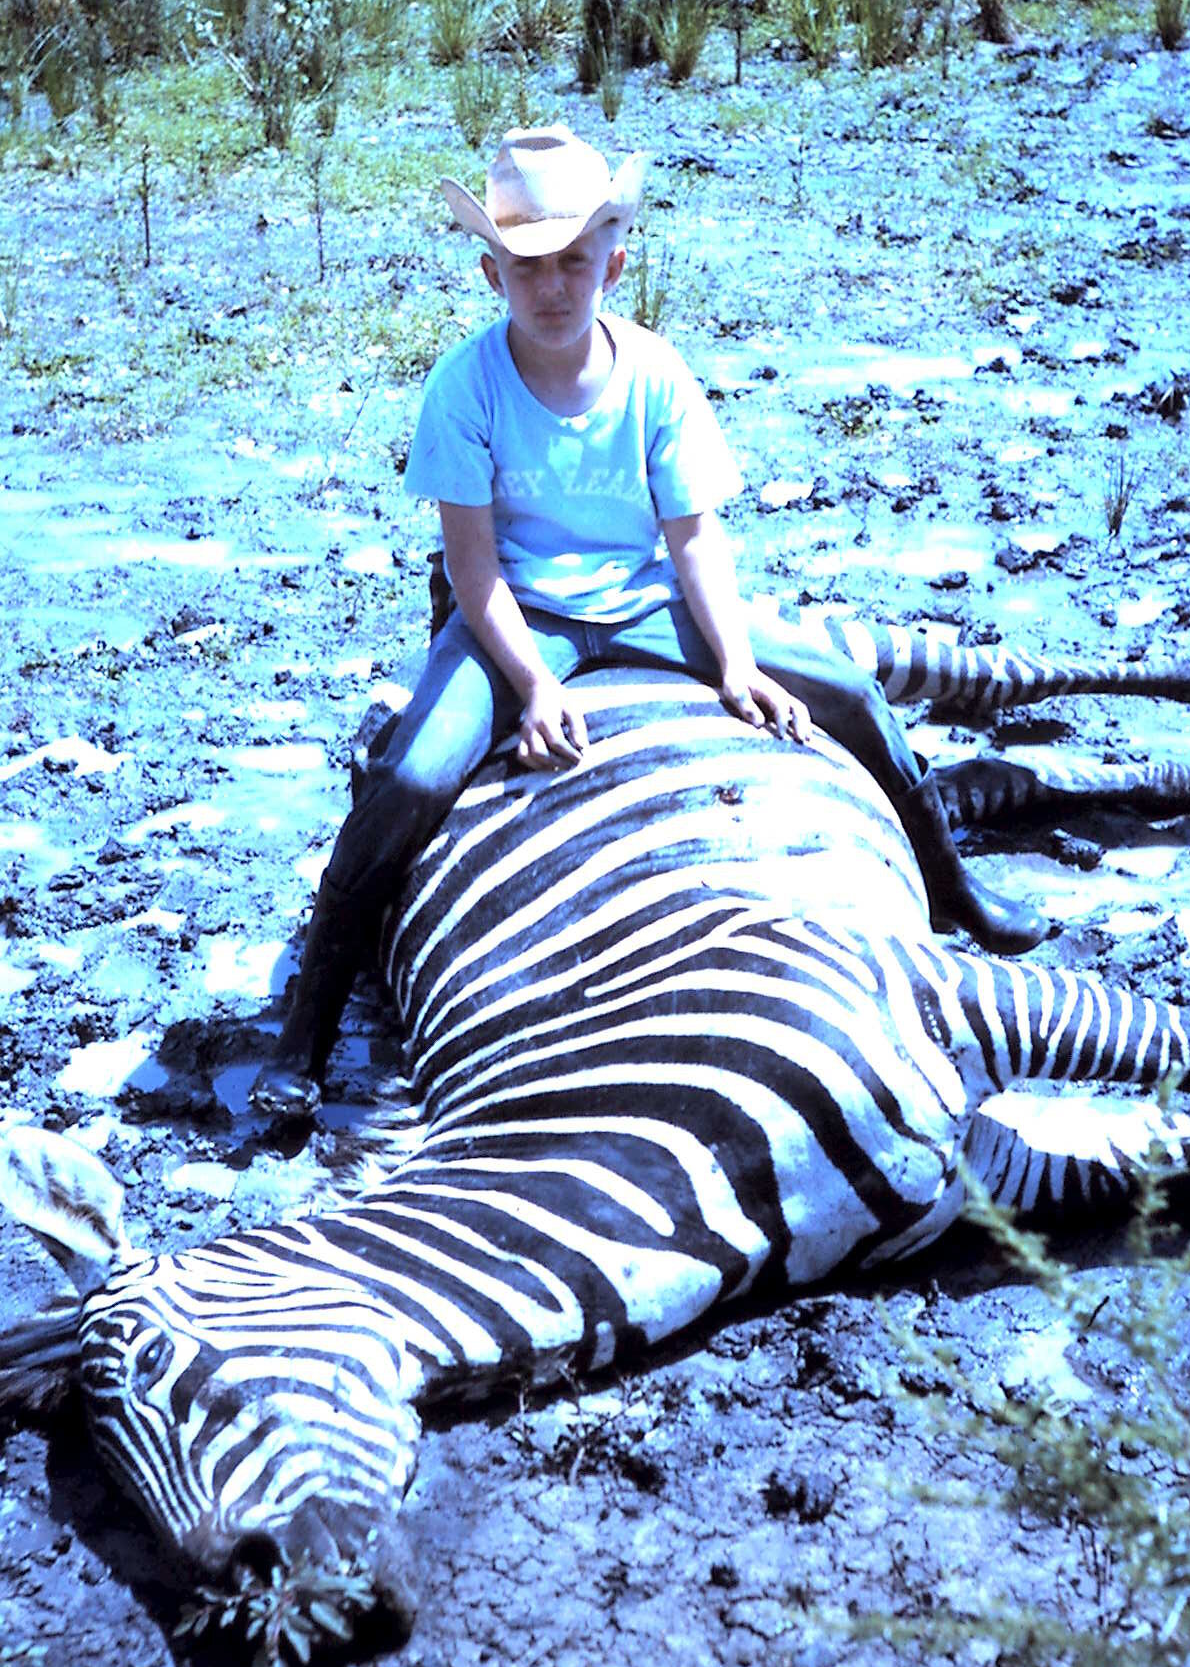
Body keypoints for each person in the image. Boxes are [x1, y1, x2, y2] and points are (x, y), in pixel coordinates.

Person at [250, 124, 1044, 1122]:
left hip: (642, 601)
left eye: (573, 261)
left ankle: (952, 883)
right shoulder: (465, 386)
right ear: (492, 271)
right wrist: (531, 684)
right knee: (412, 775)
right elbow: (471, 563)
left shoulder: (657, 373)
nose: (551, 286)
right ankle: (307, 1027)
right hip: (523, 616)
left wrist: (740, 660)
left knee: (846, 691)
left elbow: (695, 537)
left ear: (613, 262)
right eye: (527, 265)